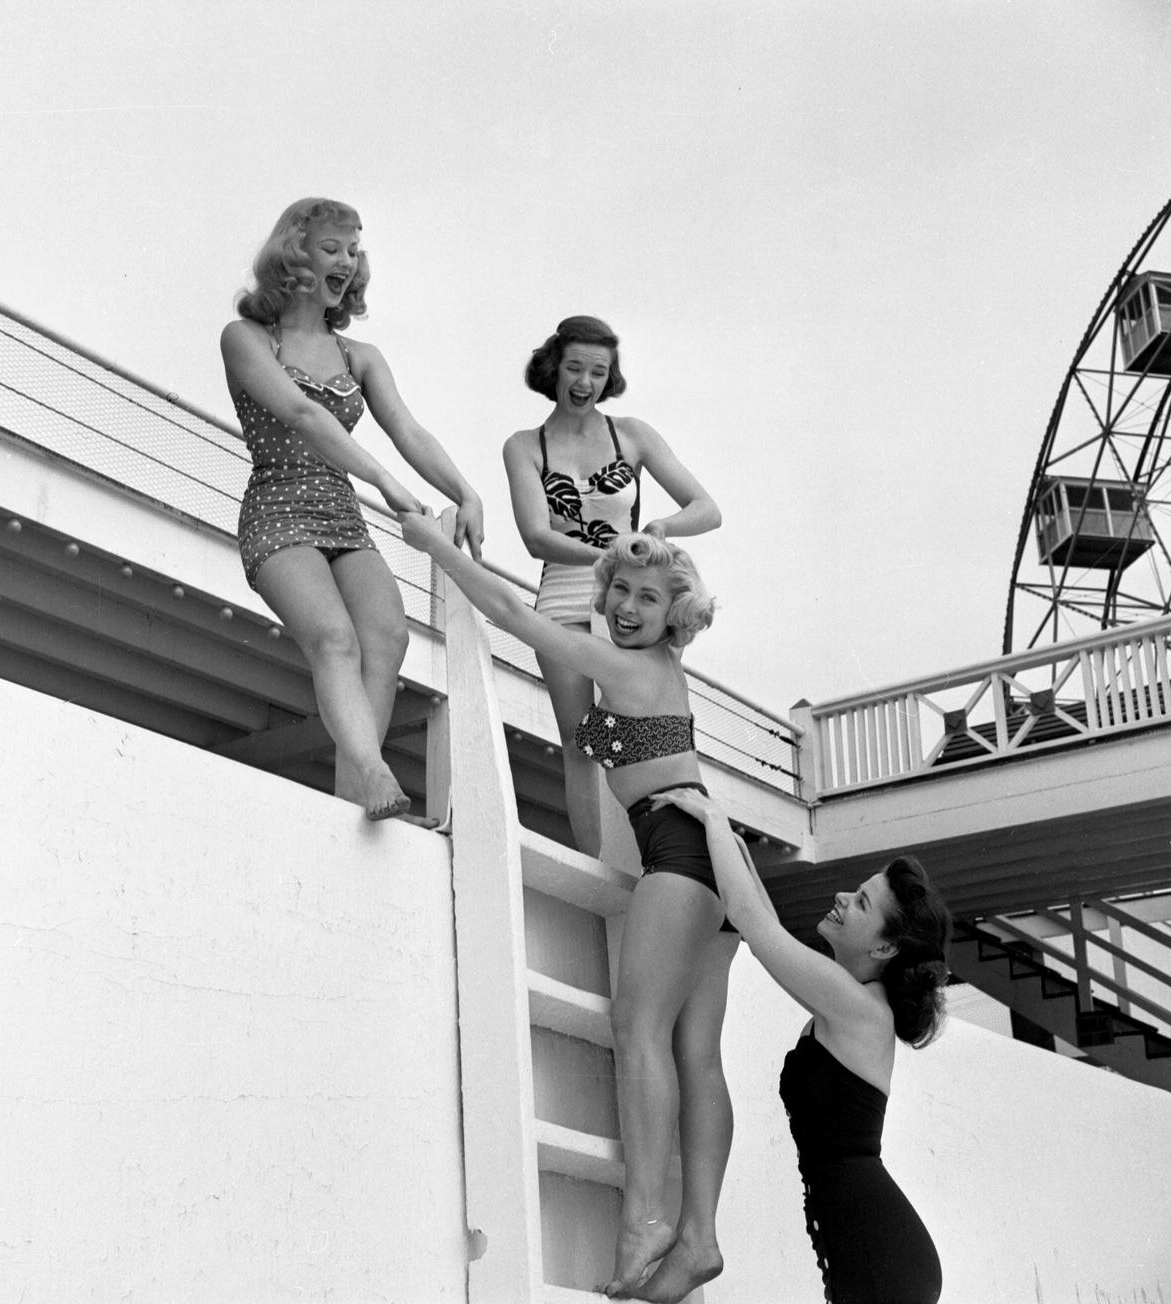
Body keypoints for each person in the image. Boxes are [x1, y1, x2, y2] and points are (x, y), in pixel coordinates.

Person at [397, 517, 737, 1302]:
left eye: (647, 597)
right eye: (617, 587)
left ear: (673, 613)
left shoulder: (626, 665)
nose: (624, 605)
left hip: (680, 855)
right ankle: (699, 1239)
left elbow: (518, 619)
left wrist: (441, 550)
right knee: (696, 1057)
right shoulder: (657, 666)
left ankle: (649, 1217)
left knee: (637, 1028)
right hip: (707, 858)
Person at [221, 197, 484, 821]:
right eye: (332, 247)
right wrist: (387, 484)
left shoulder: (359, 357)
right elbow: (302, 415)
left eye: (354, 249)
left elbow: (410, 431)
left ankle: (353, 794)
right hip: (280, 505)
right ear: (295, 252)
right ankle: (371, 771)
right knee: (333, 638)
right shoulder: (249, 337)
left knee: (387, 638)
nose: (347, 261)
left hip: (339, 510)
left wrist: (465, 492)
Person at [649, 787, 951, 1304]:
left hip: (881, 1258)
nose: (841, 897)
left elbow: (753, 921)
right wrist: (732, 842)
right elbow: (768, 928)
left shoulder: (858, 1010)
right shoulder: (846, 1000)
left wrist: (710, 817)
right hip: (869, 1249)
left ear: (884, 947)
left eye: (860, 903)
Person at [503, 316, 720, 856]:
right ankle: (596, 860)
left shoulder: (633, 435)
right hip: (562, 598)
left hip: (628, 599)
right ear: (553, 366)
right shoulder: (525, 445)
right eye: (575, 366)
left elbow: (707, 509)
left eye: (598, 371)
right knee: (582, 742)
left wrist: (661, 529)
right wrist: (613, 552)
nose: (585, 381)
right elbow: (536, 537)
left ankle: (647, 857)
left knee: (639, 733)